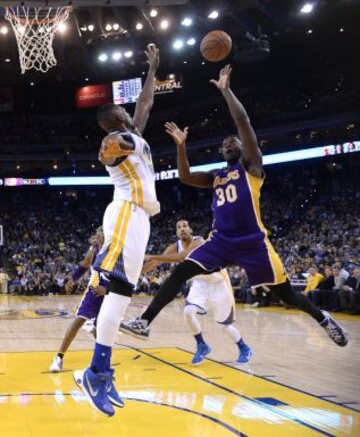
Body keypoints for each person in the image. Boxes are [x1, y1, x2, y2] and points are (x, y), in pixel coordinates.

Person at [120, 64, 348, 349]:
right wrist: (181, 146)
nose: (228, 142)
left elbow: (243, 122)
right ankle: (144, 321)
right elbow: (186, 177)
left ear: (243, 147)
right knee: (181, 273)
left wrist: (226, 92)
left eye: (233, 141)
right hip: (221, 240)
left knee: (286, 294)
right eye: (224, 143)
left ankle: (322, 319)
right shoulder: (216, 176)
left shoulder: (252, 167)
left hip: (253, 242)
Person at [73, 44, 160, 417]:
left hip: (137, 218)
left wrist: (153, 68)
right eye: (125, 112)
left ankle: (101, 371)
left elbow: (145, 104)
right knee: (119, 291)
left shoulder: (135, 135)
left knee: (122, 295)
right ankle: (96, 371)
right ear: (117, 118)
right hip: (125, 213)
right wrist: (110, 147)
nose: (132, 111)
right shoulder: (121, 140)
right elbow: (107, 151)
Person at [138, 219, 252, 364]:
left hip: (218, 282)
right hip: (200, 283)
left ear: (191, 230)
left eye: (185, 226)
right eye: (179, 227)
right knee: (188, 312)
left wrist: (152, 255)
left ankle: (244, 348)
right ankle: (202, 345)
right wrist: (136, 273)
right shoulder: (174, 247)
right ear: (176, 232)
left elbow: (183, 256)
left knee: (224, 325)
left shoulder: (198, 241)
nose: (182, 229)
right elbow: (156, 263)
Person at [49, 227, 104, 373]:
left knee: (102, 328)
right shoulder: (94, 252)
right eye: (97, 234)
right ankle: (59, 357)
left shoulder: (116, 251)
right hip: (93, 292)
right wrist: (72, 280)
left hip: (109, 293)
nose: (95, 236)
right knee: (78, 321)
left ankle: (102, 359)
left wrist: (109, 289)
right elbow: (84, 266)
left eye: (99, 234)